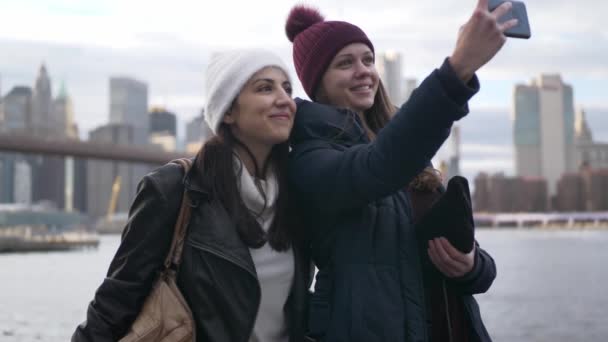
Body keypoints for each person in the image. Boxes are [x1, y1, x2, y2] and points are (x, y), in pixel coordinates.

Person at [285, 1, 513, 341]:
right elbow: (376, 167)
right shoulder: (311, 160)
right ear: (317, 84)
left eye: (368, 59)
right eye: (345, 63)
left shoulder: (409, 156)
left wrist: (470, 265)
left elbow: (482, 270)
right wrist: (458, 69)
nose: (364, 70)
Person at [72, 49, 312, 342]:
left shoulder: (299, 195)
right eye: (265, 88)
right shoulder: (175, 189)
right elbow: (114, 304)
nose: (285, 100)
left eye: (287, 89)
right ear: (228, 111)